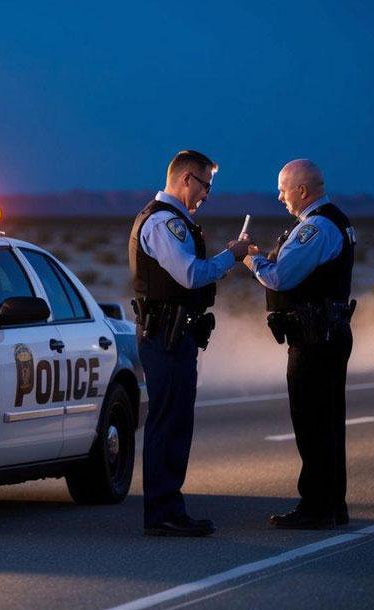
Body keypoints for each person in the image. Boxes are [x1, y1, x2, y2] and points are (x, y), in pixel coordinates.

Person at [129, 150, 251, 537]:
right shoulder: (166, 223)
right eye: (205, 186)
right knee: (168, 423)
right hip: (166, 336)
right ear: (185, 179)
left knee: (175, 422)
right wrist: (230, 257)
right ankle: (162, 513)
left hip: (174, 335)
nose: (206, 196)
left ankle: (169, 509)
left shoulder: (169, 220)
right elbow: (190, 275)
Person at [242, 159, 356, 530]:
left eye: (283, 189)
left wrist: (251, 258)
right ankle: (332, 505)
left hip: (314, 339)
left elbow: (282, 277)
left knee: (312, 423)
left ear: (302, 190)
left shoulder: (317, 227)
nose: (279, 196)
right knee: (328, 422)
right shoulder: (332, 220)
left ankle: (317, 507)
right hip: (326, 334)